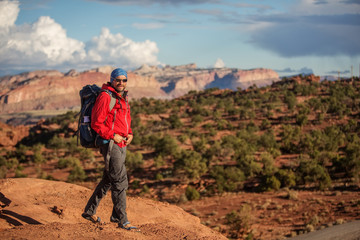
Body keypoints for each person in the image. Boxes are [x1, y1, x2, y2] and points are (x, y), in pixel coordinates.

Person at [81, 68, 137, 231]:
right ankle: (122, 220)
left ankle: (89, 211)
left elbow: (125, 119)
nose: (121, 83)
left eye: (124, 80)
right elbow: (96, 123)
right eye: (118, 80)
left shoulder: (122, 96)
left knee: (109, 178)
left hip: (121, 142)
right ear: (111, 80)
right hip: (110, 143)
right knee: (119, 180)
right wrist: (113, 135)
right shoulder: (105, 96)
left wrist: (130, 133)